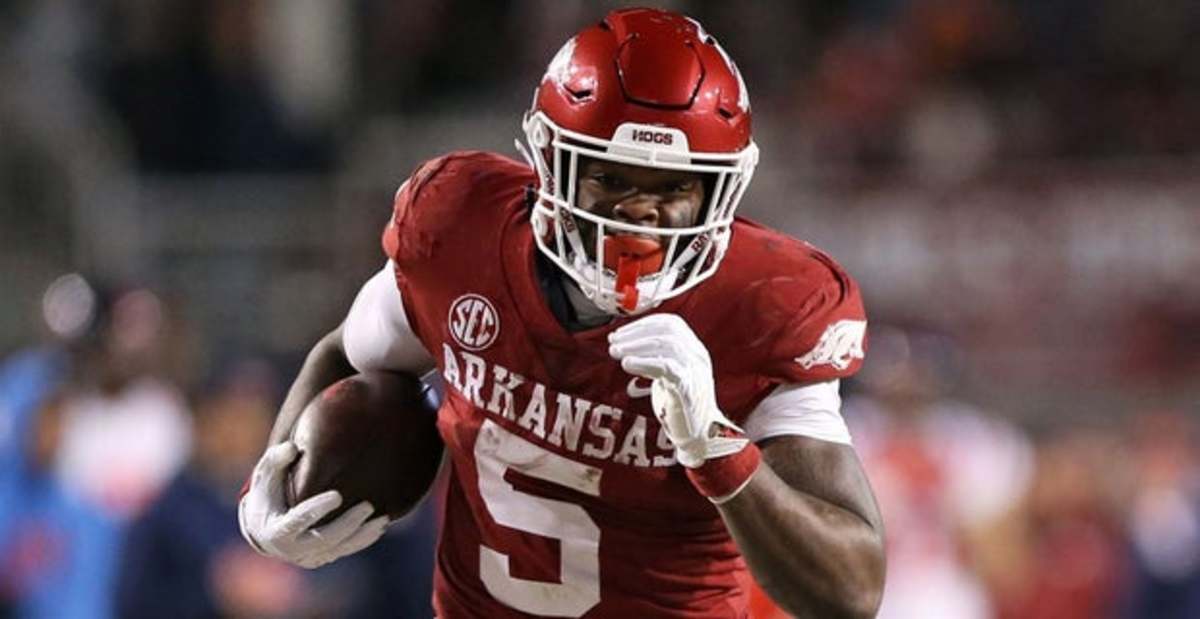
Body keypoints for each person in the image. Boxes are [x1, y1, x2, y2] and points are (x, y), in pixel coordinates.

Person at [239, 8, 885, 618]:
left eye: (675, 187)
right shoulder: (462, 236)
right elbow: (349, 355)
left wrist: (715, 444)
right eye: (612, 177)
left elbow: (851, 589)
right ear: (549, 164)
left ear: (720, 191)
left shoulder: (759, 306)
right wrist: (269, 486)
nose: (640, 212)